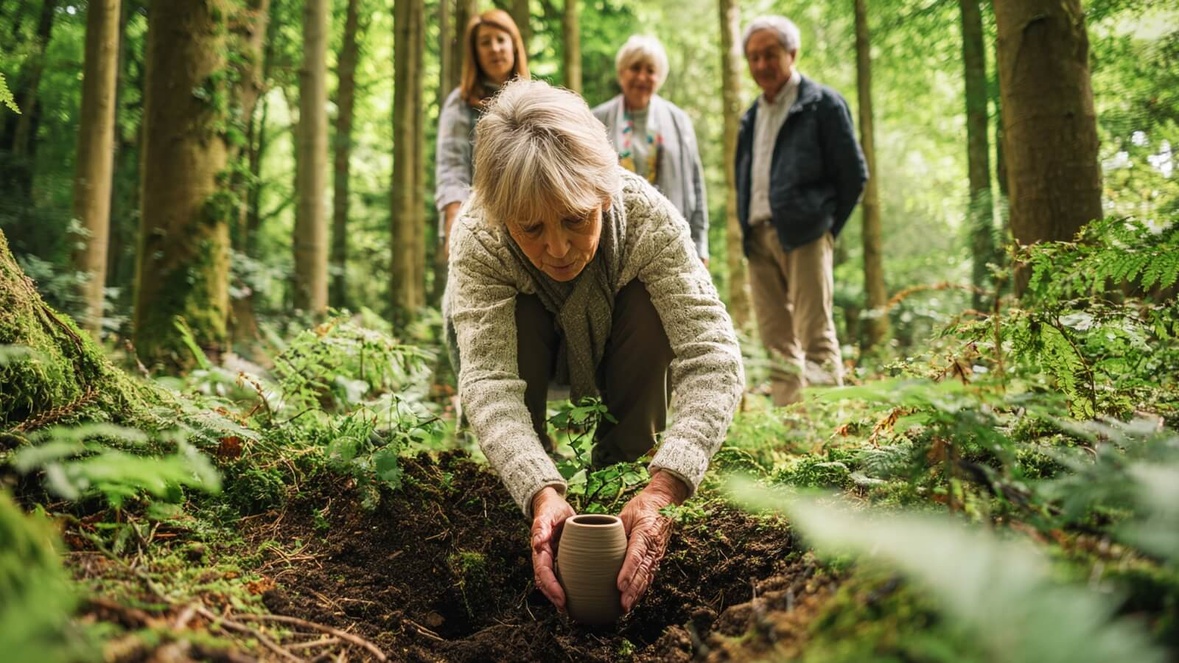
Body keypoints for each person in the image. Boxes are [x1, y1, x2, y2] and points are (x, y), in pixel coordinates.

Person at [443, 79, 744, 616]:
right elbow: (489, 382)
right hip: (532, 351)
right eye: (531, 228)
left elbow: (712, 354)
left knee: (651, 304)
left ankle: (624, 480)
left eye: (575, 218)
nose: (558, 248)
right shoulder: (480, 235)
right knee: (522, 316)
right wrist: (538, 489)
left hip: (615, 344)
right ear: (503, 216)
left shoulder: (648, 218)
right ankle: (540, 496)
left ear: (604, 193)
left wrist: (666, 488)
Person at [736, 15, 868, 406]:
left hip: (806, 235)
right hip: (757, 240)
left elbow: (853, 176)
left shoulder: (822, 104)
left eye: (770, 54)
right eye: (754, 57)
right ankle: (790, 430)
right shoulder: (750, 116)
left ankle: (828, 426)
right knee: (776, 345)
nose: (762, 64)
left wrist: (823, 226)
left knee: (815, 336)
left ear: (792, 53)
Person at [592, 35, 710, 264]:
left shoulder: (678, 120)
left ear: (660, 77)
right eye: (635, 68)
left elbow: (695, 182)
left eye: (650, 70)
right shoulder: (598, 119)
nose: (642, 77)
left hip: (670, 237)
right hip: (617, 242)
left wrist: (701, 244)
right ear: (622, 72)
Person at [435, 9, 530, 262]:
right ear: (475, 53)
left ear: (514, 45)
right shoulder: (461, 103)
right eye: (485, 42)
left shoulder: (532, 98)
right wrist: (454, 221)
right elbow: (451, 168)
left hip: (530, 224)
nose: (495, 48)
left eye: (500, 39)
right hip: (479, 225)